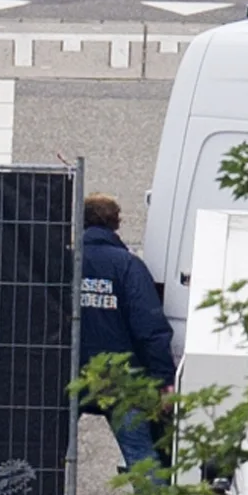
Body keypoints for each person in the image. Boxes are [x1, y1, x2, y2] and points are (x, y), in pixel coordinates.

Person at [75, 194, 174, 473]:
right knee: (141, 457)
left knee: (47, 455)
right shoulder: (127, 266)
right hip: (121, 378)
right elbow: (150, 328)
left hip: (71, 373)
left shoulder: (65, 260)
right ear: (115, 224)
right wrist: (164, 379)